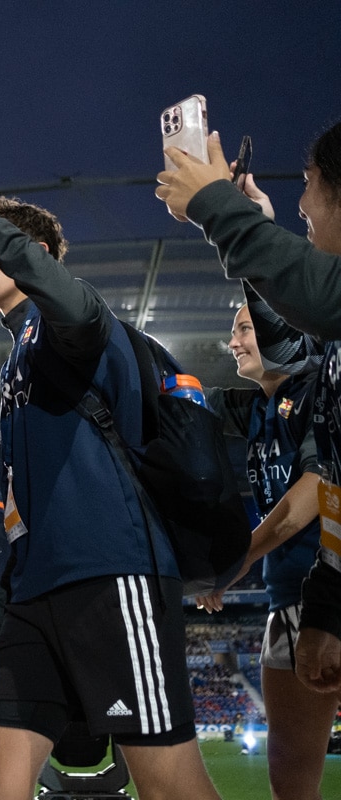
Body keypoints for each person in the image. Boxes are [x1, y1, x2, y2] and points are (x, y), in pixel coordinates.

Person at [0, 168, 221, 800]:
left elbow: (71, 303)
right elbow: (24, 519)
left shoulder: (78, 324)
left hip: (111, 578)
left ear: (32, 254)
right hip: (35, 597)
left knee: (169, 783)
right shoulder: (15, 360)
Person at [156, 122, 341, 696]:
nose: (301, 202)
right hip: (302, 592)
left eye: (309, 182)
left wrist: (217, 205)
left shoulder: (312, 378)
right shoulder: (299, 377)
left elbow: (309, 303)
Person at [195, 299, 338, 799]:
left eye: (245, 329)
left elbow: (317, 489)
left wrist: (241, 558)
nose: (232, 342)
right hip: (288, 600)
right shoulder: (258, 406)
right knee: (290, 781)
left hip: (326, 594)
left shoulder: (321, 391)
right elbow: (175, 397)